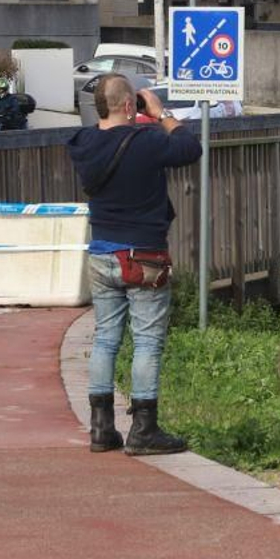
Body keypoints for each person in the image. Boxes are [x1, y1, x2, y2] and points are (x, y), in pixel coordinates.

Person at [66, 73, 202, 455]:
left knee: (106, 339)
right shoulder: (148, 142)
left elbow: (103, 131)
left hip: (101, 253)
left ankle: (101, 429)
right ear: (131, 106)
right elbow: (190, 147)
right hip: (143, 256)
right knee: (147, 341)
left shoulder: (83, 143)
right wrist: (160, 113)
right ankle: (144, 430)